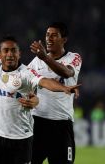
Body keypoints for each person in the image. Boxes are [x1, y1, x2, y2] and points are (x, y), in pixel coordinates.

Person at [0, 36, 80, 164]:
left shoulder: (27, 73)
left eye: (13, 50)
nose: (10, 54)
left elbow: (45, 82)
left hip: (21, 138)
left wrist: (63, 88)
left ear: (19, 53)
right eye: (6, 50)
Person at [28, 22, 82, 164]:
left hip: (62, 126)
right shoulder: (35, 62)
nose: (49, 39)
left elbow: (67, 72)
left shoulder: (73, 57)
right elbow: (25, 85)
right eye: (47, 35)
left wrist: (45, 58)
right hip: (37, 123)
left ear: (64, 39)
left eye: (54, 35)